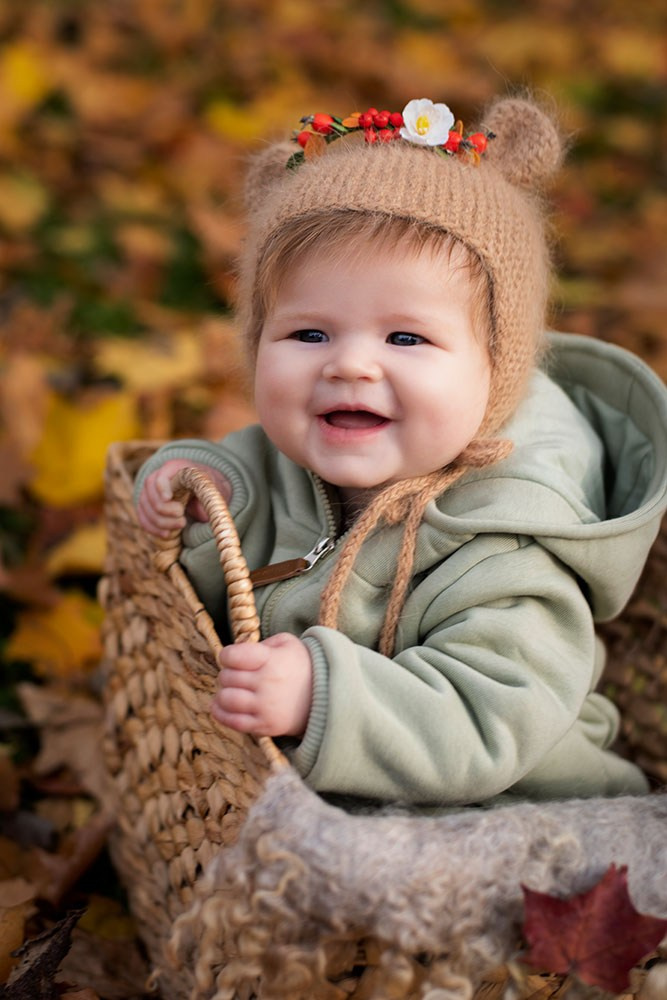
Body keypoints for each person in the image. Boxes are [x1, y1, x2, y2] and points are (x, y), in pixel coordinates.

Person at [134, 95, 667, 807]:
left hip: (506, 813)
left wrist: (323, 695)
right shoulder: (301, 449)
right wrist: (209, 489)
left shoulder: (508, 549)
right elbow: (257, 487)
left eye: (406, 337)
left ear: (496, 369)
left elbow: (488, 718)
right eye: (309, 334)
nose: (350, 365)